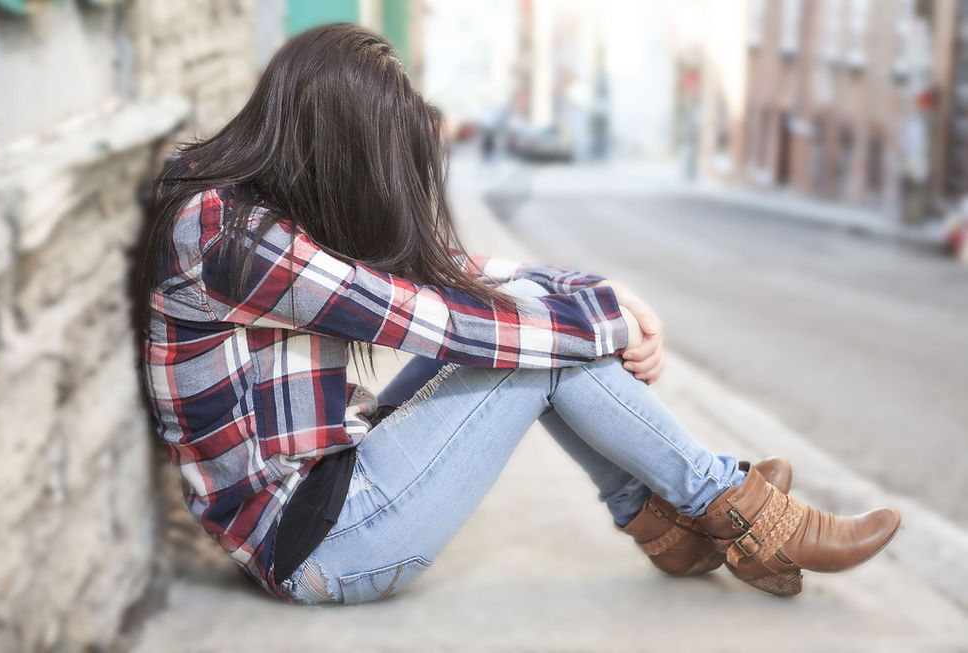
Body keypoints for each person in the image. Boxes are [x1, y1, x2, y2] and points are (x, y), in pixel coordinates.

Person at [128, 23, 900, 606]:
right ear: (334, 147)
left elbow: (433, 267)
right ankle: (733, 514)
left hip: (333, 492)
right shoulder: (231, 240)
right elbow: (435, 317)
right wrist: (605, 321)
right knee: (533, 342)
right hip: (319, 546)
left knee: (542, 325)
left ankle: (691, 517)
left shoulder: (250, 203)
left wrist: (594, 291)